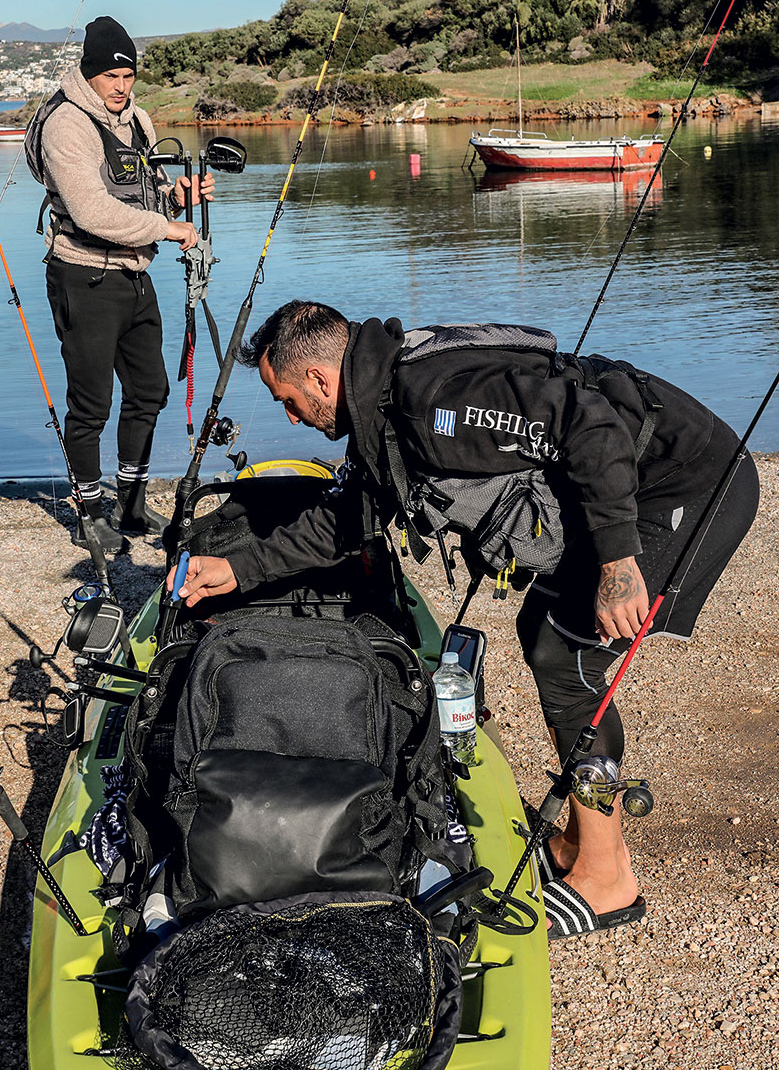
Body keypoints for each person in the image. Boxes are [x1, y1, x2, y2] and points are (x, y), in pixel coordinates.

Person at [170, 301, 759, 940]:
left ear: (318, 378)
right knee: (545, 635)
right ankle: (577, 840)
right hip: (635, 480)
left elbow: (588, 424)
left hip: (688, 484)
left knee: (568, 661)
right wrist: (240, 568)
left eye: (288, 400)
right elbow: (348, 520)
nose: (290, 417)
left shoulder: (431, 406)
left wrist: (618, 558)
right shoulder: (382, 397)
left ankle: (607, 876)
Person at [25, 16, 213, 553]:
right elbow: (90, 210)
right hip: (82, 274)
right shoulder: (68, 124)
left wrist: (179, 196)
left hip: (134, 273)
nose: (121, 85)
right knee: (90, 404)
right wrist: (168, 227)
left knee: (150, 389)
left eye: (128, 75)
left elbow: (142, 195)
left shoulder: (139, 121)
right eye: (111, 75)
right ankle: (88, 512)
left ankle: (130, 504)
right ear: (90, 75)